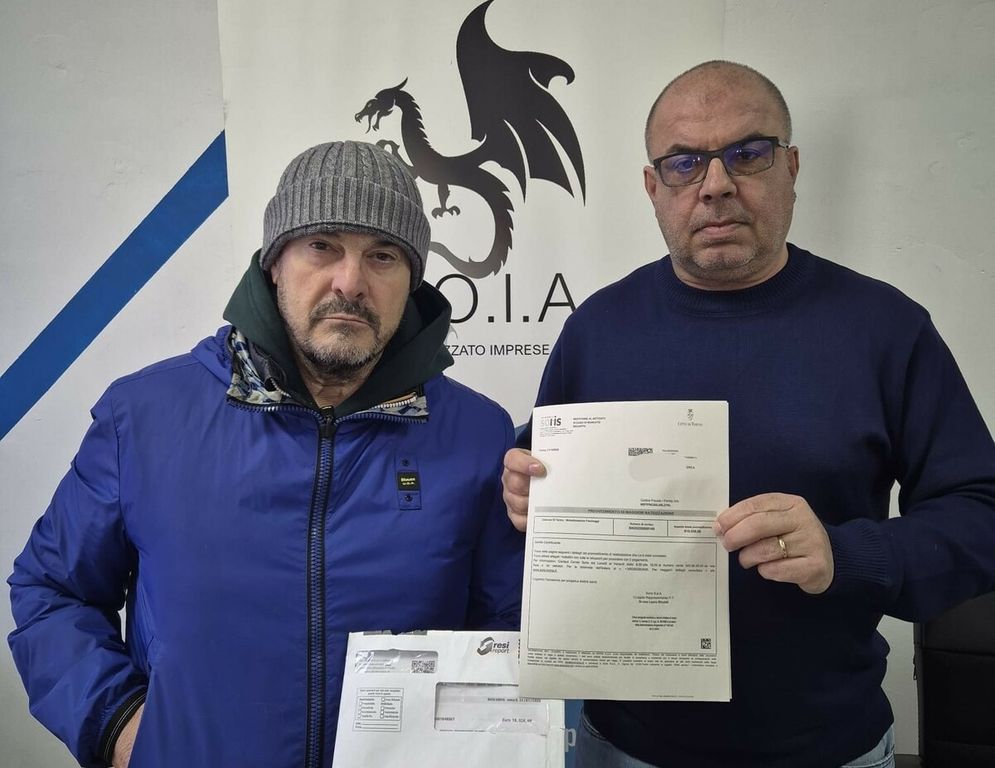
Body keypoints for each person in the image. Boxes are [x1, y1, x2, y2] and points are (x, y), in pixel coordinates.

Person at [503, 61, 995, 768]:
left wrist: (846, 555)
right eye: (683, 162)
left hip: (829, 747)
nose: (715, 184)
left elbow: (979, 515)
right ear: (652, 187)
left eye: (747, 153)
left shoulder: (885, 328)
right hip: (622, 747)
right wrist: (524, 488)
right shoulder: (597, 329)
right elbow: (540, 474)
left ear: (790, 168)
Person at [8, 140, 525, 768]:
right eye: (322, 246)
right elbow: (52, 589)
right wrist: (118, 724)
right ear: (274, 263)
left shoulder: (477, 433)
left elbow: (507, 625)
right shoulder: (143, 417)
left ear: (411, 282)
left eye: (382, 256)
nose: (350, 283)